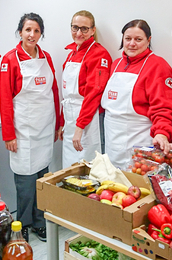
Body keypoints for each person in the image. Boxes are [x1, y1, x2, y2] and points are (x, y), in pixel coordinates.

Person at [0, 13, 60, 243]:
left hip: (44, 128)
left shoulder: (47, 58)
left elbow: (53, 92)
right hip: (22, 130)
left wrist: (58, 123)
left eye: (36, 31)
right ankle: (22, 224)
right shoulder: (10, 59)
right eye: (27, 30)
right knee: (25, 182)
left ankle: (39, 221)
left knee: (42, 178)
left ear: (41, 33)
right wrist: (8, 134)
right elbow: (5, 99)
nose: (32, 35)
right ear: (20, 32)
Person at [101, 19, 172, 170]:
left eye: (138, 39)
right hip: (112, 142)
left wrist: (162, 133)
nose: (132, 44)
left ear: (148, 40)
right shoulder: (116, 64)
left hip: (139, 141)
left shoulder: (157, 66)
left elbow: (165, 107)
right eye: (128, 39)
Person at [59, 10, 112, 168]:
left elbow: (93, 94)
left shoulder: (99, 54)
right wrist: (63, 122)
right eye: (75, 28)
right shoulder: (71, 54)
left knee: (88, 166)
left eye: (84, 29)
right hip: (70, 118)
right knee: (70, 168)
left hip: (89, 119)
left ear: (93, 30)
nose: (79, 33)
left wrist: (80, 127)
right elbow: (66, 94)